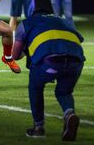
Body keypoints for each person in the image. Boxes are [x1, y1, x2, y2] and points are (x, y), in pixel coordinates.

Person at [12, 9, 84, 141]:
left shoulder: (27, 23)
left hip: (49, 62)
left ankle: (38, 128)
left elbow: (15, 55)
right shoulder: (63, 21)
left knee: (35, 88)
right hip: (76, 60)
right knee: (64, 93)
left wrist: (26, 51)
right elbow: (79, 39)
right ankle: (69, 114)